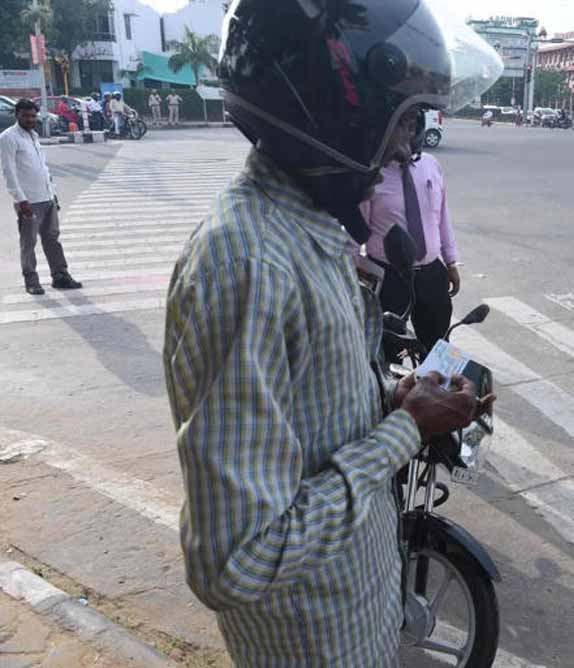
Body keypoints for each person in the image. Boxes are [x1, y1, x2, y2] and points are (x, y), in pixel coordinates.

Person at [161, 1, 495, 666]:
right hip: (316, 644)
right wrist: (402, 433)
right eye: (401, 123)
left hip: (358, 617)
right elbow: (234, 563)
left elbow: (309, 423)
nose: (403, 149)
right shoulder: (250, 265)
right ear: (339, 112)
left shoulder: (308, 237)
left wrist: (396, 403)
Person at [359, 106, 461, 356]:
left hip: (431, 274)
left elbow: (441, 216)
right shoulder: (372, 174)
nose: (408, 133)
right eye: (401, 126)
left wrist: (450, 262)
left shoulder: (431, 165)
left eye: (412, 126)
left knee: (437, 348)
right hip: (388, 277)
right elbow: (354, 234)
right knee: (387, 351)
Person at [1, 99, 83, 295]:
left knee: (52, 239)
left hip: (47, 198)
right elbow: (9, 172)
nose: (30, 119)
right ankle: (31, 281)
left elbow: (43, 168)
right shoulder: (8, 138)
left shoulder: (34, 135)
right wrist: (21, 200)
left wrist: (53, 194)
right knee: (28, 243)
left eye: (33, 116)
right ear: (17, 115)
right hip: (28, 201)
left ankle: (60, 276)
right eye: (25, 116)